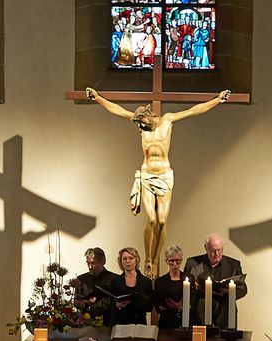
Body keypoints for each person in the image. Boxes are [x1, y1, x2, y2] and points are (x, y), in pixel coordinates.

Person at [86, 87, 232, 277]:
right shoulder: (142, 125)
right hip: (147, 175)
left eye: (143, 124)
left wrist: (217, 100)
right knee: (152, 219)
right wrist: (98, 98)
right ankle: (148, 259)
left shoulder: (168, 120)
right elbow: (119, 110)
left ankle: (155, 259)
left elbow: (193, 111)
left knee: (162, 221)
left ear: (149, 117)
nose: (141, 128)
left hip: (164, 175)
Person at [185, 234, 248, 329]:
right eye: (213, 251)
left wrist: (229, 291)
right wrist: (193, 287)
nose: (217, 254)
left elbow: (242, 289)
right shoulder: (193, 263)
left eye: (220, 250)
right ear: (206, 248)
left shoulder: (233, 265)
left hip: (225, 315)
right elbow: (185, 286)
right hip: (199, 315)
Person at [107, 247, 153, 325]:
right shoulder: (115, 282)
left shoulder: (146, 281)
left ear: (136, 260)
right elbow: (110, 304)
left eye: (131, 258)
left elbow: (150, 306)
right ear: (121, 262)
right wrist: (117, 305)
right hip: (120, 322)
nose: (128, 261)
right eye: (124, 259)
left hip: (139, 322)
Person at [152, 244, 195, 329]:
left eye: (177, 260)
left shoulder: (189, 278)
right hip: (167, 322)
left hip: (185, 321)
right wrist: (171, 307)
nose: (175, 264)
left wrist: (180, 307)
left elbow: (193, 301)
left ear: (181, 260)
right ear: (166, 261)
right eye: (171, 261)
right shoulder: (160, 281)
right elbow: (157, 306)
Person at [74, 247, 119, 327]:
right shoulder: (81, 279)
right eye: (88, 263)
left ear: (102, 262)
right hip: (87, 323)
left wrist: (89, 306)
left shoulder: (114, 279)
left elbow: (112, 301)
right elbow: (77, 301)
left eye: (93, 263)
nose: (90, 266)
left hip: (109, 322)